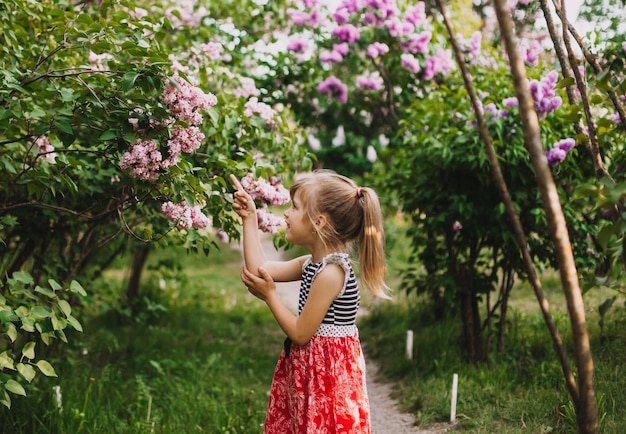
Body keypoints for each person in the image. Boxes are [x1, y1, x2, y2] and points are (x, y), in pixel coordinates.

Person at [230, 170, 390, 434]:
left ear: (319, 222)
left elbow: (301, 333)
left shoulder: (331, 273)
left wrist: (270, 296)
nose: (286, 214)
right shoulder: (311, 264)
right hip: (310, 372)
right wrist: (249, 218)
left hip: (327, 380)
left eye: (295, 207)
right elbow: (260, 268)